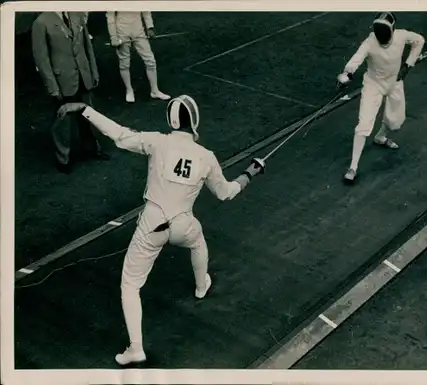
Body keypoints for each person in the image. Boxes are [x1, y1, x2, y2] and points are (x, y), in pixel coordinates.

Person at [57, 95, 266, 366]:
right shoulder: (206, 157)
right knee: (198, 241)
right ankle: (202, 286)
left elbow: (118, 135)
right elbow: (225, 193)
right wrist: (250, 173)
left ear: (171, 120)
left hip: (152, 225)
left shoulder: (157, 141)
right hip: (182, 225)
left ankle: (136, 348)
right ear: (195, 119)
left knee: (130, 284)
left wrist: (85, 109)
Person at [337, 12, 425, 183]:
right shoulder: (370, 41)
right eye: (379, 35)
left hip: (394, 82)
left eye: (385, 35)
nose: (382, 39)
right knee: (363, 124)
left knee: (396, 121)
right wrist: (347, 72)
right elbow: (357, 58)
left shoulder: (402, 36)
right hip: (373, 85)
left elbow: (419, 41)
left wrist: (408, 65)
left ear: (392, 30)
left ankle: (380, 137)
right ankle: (353, 167)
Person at [32, 11, 109, 174]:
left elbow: (88, 47)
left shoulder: (77, 15)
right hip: (62, 81)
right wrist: (52, 86)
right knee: (63, 122)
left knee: (89, 114)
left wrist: (94, 71)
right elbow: (42, 59)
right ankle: (63, 159)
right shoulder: (41, 22)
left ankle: (92, 149)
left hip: (84, 75)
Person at [106, 11, 170, 103]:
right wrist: (113, 36)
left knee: (150, 61)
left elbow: (146, 10)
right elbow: (110, 15)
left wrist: (149, 27)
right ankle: (129, 90)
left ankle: (155, 91)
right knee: (124, 63)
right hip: (121, 32)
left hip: (139, 31)